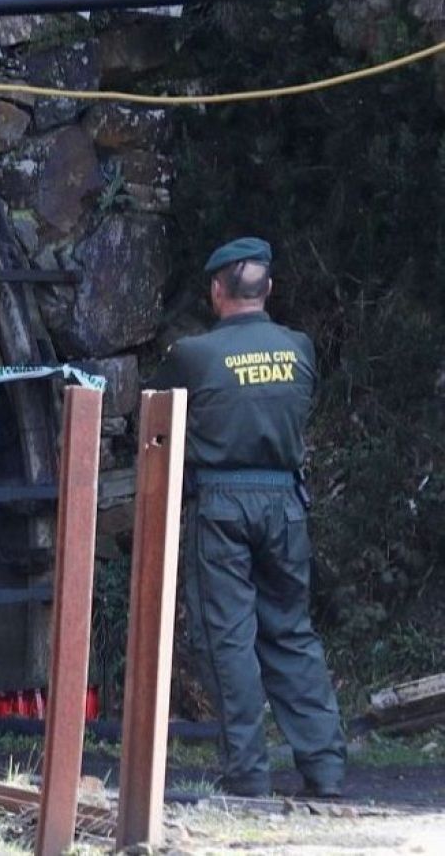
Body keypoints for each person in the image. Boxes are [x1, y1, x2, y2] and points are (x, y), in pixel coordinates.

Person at [150, 237, 345, 798]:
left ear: (217, 291)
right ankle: (326, 768)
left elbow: (159, 421)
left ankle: (248, 774)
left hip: (223, 504)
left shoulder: (194, 355)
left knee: (229, 639)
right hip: (285, 503)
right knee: (291, 631)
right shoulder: (300, 348)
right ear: (269, 291)